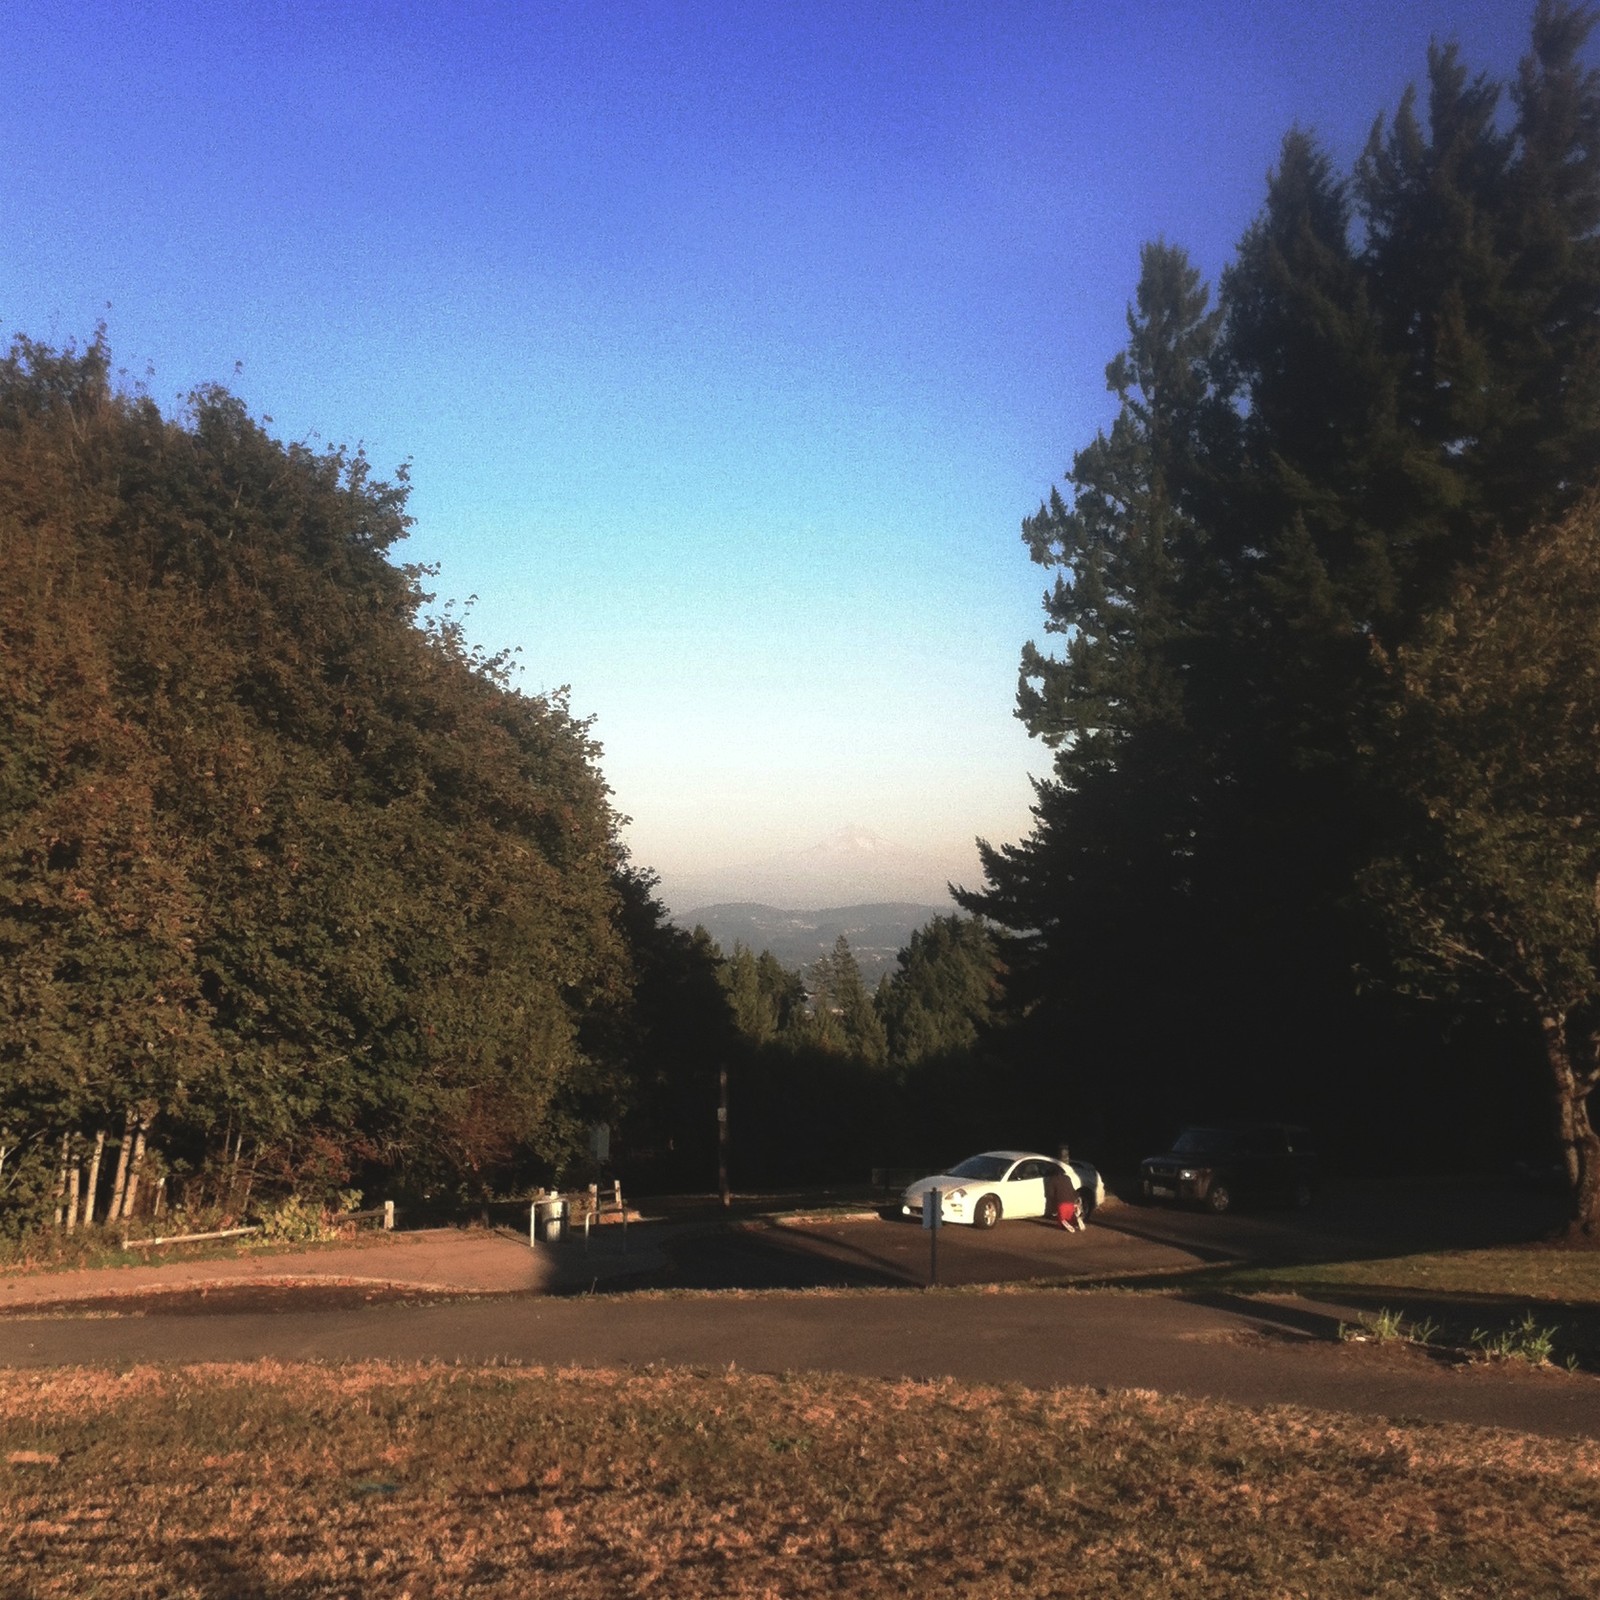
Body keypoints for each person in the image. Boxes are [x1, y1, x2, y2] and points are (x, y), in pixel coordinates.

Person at [1045, 1162, 1085, 1232]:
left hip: (1062, 1203)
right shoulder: (1067, 1178)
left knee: (1061, 1221)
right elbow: (1073, 1191)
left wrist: (1052, 1205)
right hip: (1071, 1203)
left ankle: (1063, 1223)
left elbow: (1050, 1194)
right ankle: (1075, 1221)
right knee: (1070, 1218)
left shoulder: (1052, 1180)